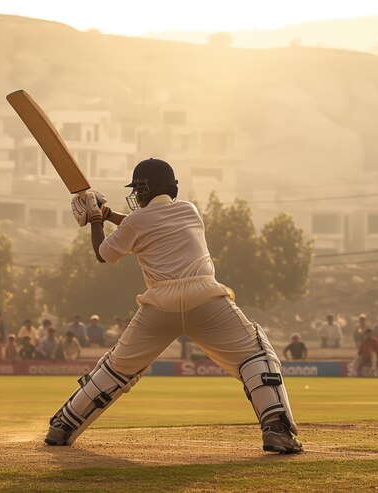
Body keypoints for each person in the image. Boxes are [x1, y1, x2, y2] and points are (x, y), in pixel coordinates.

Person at [45, 158, 302, 454]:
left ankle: (63, 425)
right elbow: (142, 225)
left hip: (159, 306)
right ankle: (276, 429)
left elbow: (104, 253)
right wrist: (104, 213)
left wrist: (95, 220)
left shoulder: (135, 222)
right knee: (257, 356)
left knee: (116, 368)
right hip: (205, 299)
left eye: (138, 189)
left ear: (146, 188)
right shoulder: (189, 211)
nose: (136, 196)